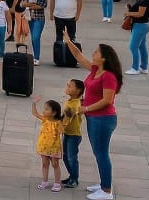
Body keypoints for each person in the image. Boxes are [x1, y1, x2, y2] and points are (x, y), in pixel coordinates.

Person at [58, 36, 123, 200]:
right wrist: (68, 41)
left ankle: (106, 191)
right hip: (94, 118)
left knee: (101, 153)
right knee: (98, 152)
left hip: (103, 119)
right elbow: (78, 55)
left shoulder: (108, 76)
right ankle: (103, 184)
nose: (93, 54)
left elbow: (107, 100)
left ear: (104, 58)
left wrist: (85, 108)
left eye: (96, 52)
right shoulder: (95, 70)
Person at [31, 96, 66, 192]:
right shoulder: (44, 119)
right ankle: (45, 181)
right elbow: (35, 113)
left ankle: (57, 183)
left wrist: (63, 123)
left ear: (54, 113)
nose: (44, 111)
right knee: (44, 163)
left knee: (55, 164)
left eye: (46, 109)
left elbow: (62, 131)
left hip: (54, 148)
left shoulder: (58, 122)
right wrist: (34, 103)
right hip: (44, 146)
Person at [123, 0, 149, 75]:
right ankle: (144, 67)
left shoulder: (145, 0)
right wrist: (130, 8)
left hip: (140, 25)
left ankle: (135, 68)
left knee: (133, 46)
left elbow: (140, 14)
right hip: (140, 25)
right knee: (142, 46)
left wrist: (128, 13)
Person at [61, 78, 85, 189]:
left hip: (74, 135)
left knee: (71, 157)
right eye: (67, 85)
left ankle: (74, 179)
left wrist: (59, 127)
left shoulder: (74, 105)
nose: (67, 87)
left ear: (78, 90)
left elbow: (67, 118)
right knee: (65, 156)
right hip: (67, 133)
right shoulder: (70, 101)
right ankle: (72, 176)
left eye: (70, 86)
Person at [23, 0, 48, 64]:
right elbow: (22, 4)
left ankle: (36, 58)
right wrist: (31, 4)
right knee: (33, 38)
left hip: (39, 19)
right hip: (30, 18)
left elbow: (41, 6)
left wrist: (29, 5)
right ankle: (35, 56)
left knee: (35, 37)